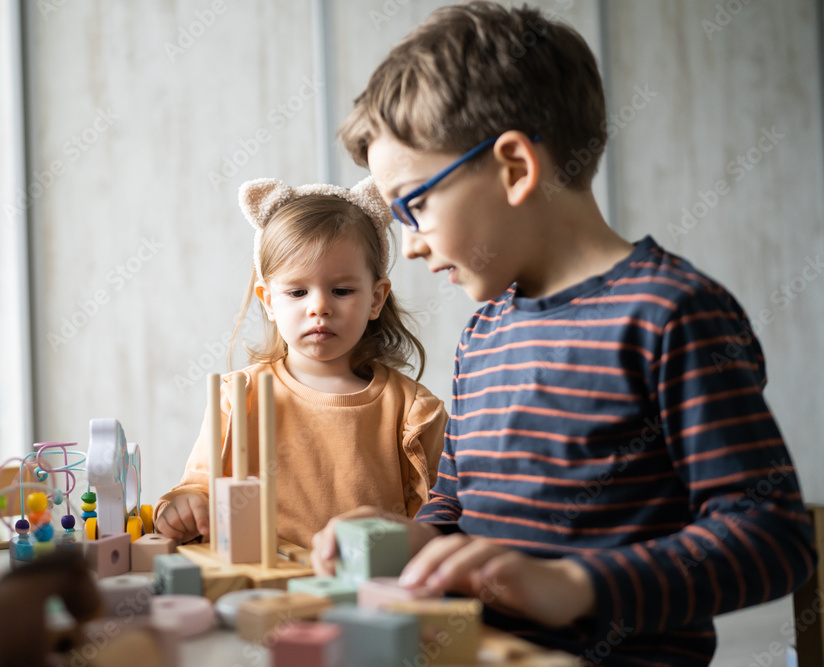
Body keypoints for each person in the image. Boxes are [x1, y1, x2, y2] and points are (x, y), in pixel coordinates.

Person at [309, 3, 816, 665]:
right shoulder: (482, 334)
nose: (406, 246)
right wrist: (409, 539)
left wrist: (574, 584)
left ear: (516, 167)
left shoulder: (671, 315)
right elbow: (455, 505)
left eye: (415, 204)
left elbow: (773, 539)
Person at [154, 176, 447, 549]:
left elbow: (439, 519)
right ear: (269, 301)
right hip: (262, 591)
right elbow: (199, 487)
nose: (319, 307)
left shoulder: (413, 412)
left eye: (341, 291)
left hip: (368, 595)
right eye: (297, 292)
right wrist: (184, 506)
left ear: (376, 299)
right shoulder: (240, 397)